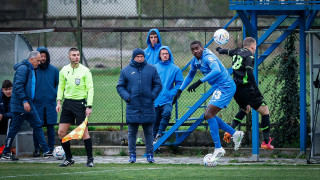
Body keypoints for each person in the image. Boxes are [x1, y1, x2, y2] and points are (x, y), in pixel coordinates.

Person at [172, 41, 244, 162]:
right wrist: (180, 90)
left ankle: (218, 147)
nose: (195, 51)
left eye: (197, 48)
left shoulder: (208, 57)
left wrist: (200, 81)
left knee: (208, 114)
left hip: (225, 86)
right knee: (209, 115)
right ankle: (234, 133)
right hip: (219, 87)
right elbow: (190, 76)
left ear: (202, 48)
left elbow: (216, 71)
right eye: (193, 49)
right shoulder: (195, 61)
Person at [216, 37, 274, 150]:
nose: (255, 49)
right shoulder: (249, 56)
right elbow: (249, 72)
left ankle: (229, 131)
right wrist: (256, 88)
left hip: (235, 89)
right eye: (255, 47)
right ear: (252, 47)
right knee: (265, 111)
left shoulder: (236, 51)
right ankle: (266, 141)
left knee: (245, 109)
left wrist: (218, 48)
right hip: (246, 89)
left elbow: (224, 51)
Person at [1, 51, 52, 161]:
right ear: (31, 59)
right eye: (38, 60)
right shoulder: (23, 69)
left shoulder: (31, 69)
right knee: (14, 128)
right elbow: (18, 86)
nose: (39, 62)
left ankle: (47, 151)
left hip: (28, 104)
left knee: (37, 124)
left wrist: (28, 101)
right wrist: (24, 101)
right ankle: (6, 152)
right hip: (21, 105)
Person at [117, 48, 162, 163]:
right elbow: (120, 86)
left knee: (149, 132)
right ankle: (132, 155)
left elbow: (158, 84)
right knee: (132, 132)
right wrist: (128, 97)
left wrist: (152, 96)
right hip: (133, 106)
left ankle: (150, 155)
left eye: (142, 56)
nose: (140, 58)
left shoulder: (151, 69)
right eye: (138, 57)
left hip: (148, 105)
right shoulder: (126, 70)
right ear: (134, 57)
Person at [56, 47, 94, 167]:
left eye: (78, 55)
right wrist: (59, 102)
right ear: (69, 57)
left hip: (80, 104)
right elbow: (61, 86)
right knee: (61, 132)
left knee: (84, 133)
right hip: (67, 104)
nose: (76, 57)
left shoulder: (85, 71)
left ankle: (90, 159)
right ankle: (69, 158)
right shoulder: (64, 70)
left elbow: (90, 88)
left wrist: (89, 105)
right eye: (73, 55)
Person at [32, 47, 59, 157]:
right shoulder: (33, 70)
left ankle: (51, 149)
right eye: (41, 56)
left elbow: (59, 84)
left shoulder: (54, 70)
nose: (43, 58)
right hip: (37, 103)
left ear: (47, 57)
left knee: (50, 126)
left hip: (50, 103)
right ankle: (37, 149)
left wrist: (54, 93)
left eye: (44, 56)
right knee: (37, 126)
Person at [153, 46, 184, 143]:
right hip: (155, 100)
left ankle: (159, 134)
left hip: (167, 99)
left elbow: (180, 83)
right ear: (160, 55)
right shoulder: (154, 68)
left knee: (166, 113)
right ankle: (154, 145)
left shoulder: (175, 69)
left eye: (167, 53)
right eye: (163, 54)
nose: (165, 55)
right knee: (154, 121)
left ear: (169, 55)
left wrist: (171, 93)